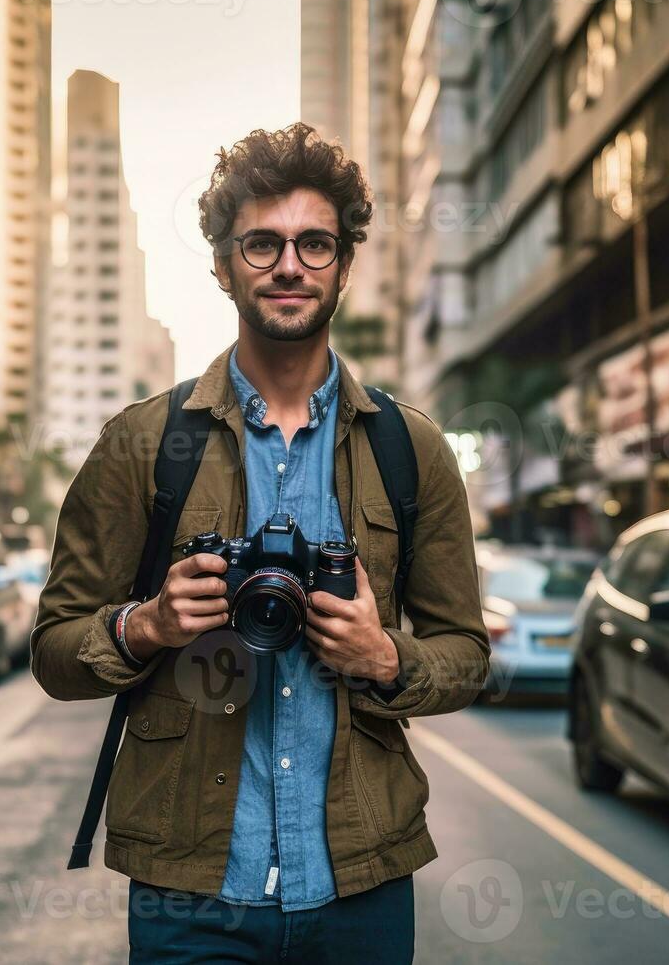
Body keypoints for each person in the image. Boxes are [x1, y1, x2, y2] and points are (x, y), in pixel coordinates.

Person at [31, 122, 490, 964]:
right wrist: (148, 625)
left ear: (345, 265)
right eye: (263, 244)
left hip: (361, 880)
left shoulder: (410, 449)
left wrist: (385, 657)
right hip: (191, 890)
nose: (289, 266)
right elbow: (54, 652)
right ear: (221, 264)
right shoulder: (142, 443)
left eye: (316, 245)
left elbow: (466, 651)